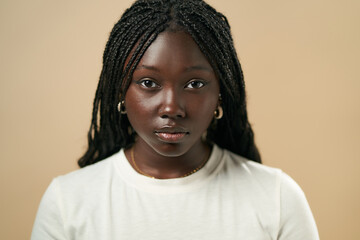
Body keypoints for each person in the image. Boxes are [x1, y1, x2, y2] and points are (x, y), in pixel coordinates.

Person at [31, 0, 319, 239]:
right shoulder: (67, 202)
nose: (171, 107)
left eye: (194, 84)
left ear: (221, 92)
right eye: (148, 83)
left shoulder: (277, 198)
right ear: (121, 90)